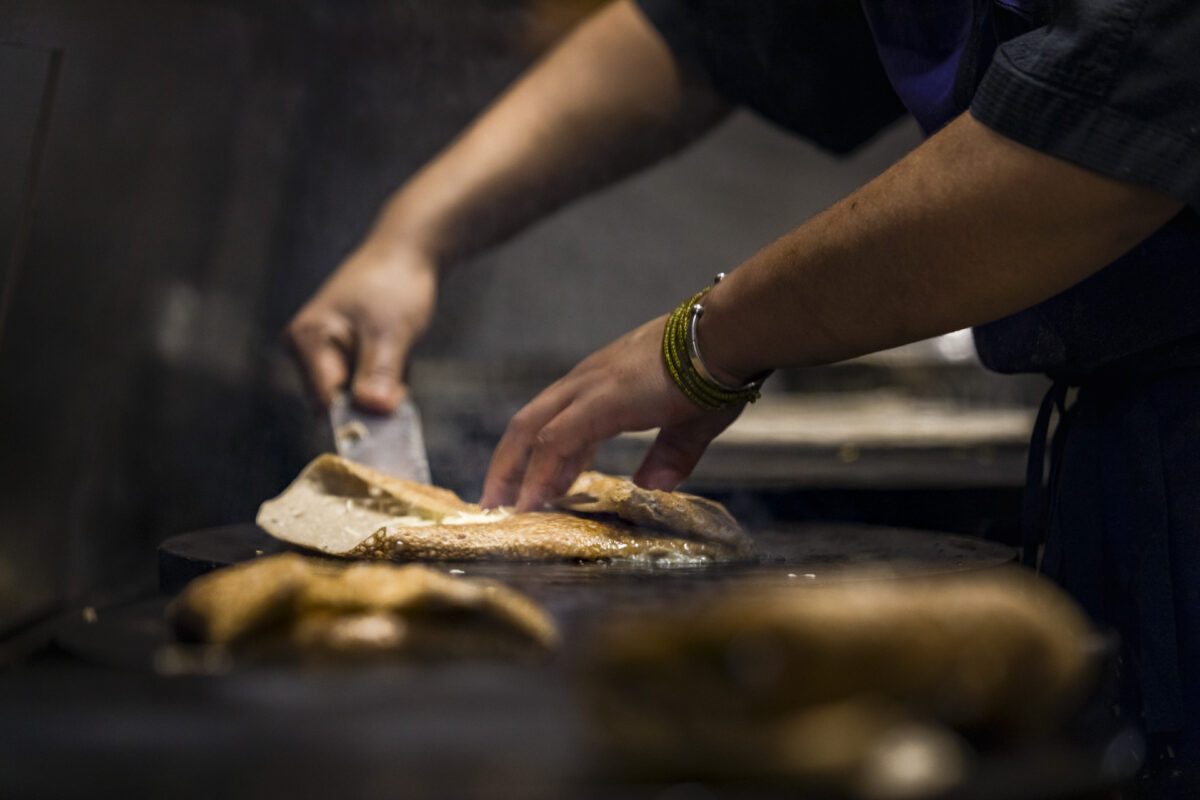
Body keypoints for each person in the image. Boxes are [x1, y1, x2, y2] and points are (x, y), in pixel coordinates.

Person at [288, 0, 1199, 790]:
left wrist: (705, 342)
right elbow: (719, 27)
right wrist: (413, 234)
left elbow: (1104, 139)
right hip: (1123, 463)